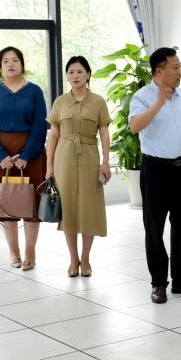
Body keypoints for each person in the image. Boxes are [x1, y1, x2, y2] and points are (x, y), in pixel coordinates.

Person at [129, 47, 181, 304]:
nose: (180, 72)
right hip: (155, 169)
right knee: (154, 228)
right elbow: (135, 126)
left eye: (179, 67)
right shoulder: (142, 96)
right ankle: (158, 283)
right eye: (175, 68)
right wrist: (158, 103)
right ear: (159, 71)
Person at [0, 47, 48, 271]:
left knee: (31, 204)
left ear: (22, 64)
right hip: (1, 155)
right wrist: (1, 155)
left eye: (15, 60)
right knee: (6, 202)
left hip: (31, 153)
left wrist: (27, 155)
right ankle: (14, 251)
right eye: (6, 61)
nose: (10, 64)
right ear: (0, 66)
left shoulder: (34, 91)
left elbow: (40, 125)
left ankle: (30, 251)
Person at [46, 56, 111, 277]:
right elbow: (53, 135)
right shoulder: (60, 102)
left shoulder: (98, 102)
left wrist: (105, 162)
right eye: (71, 72)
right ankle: (73, 259)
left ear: (88, 74)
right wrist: (49, 166)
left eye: (80, 71)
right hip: (63, 157)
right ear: (67, 76)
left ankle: (86, 258)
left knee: (88, 208)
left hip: (89, 156)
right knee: (68, 210)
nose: (75, 76)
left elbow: (104, 133)